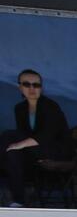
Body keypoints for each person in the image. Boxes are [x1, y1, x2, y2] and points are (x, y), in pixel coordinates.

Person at [3, 69, 69, 207]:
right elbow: (23, 135)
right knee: (12, 153)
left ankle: (17, 198)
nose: (32, 88)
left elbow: (47, 135)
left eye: (36, 85)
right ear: (20, 87)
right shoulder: (19, 108)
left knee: (8, 137)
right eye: (27, 84)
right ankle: (18, 201)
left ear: (41, 87)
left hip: (54, 150)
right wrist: (17, 146)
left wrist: (19, 144)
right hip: (31, 151)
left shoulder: (50, 106)